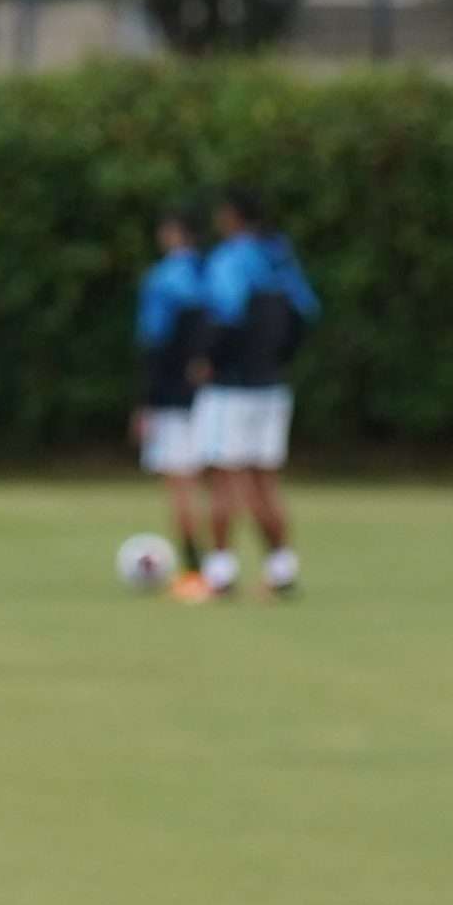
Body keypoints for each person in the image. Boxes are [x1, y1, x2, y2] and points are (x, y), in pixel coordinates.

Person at [192, 188, 320, 600]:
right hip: (272, 386)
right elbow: (306, 314)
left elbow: (225, 316)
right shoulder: (280, 258)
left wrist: (207, 360)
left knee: (225, 479)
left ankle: (220, 573)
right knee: (265, 480)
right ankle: (281, 568)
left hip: (232, 389)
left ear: (232, 217)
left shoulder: (230, 258)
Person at [132, 206, 214, 601]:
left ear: (171, 233)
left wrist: (146, 401)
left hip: (173, 396)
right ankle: (220, 565)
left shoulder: (164, 278)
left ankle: (195, 569)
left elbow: (156, 341)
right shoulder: (214, 272)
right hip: (217, 394)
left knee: (179, 481)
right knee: (212, 479)